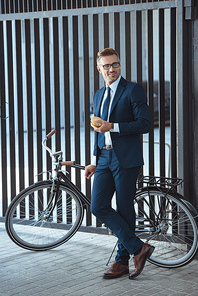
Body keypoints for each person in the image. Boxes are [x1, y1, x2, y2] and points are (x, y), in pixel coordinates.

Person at [85, 48, 154, 280]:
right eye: (106, 66)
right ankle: (139, 248)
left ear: (120, 65)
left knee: (125, 209)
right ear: (99, 69)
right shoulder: (98, 94)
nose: (111, 69)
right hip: (104, 158)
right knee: (98, 206)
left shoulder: (133, 89)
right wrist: (94, 161)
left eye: (115, 64)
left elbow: (145, 124)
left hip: (125, 158)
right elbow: (98, 131)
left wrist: (112, 126)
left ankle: (122, 262)